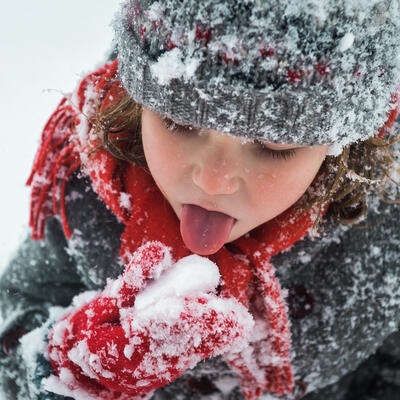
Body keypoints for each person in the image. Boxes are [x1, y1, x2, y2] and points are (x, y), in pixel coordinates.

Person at [1, 0, 400, 399]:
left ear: (346, 147)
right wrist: (63, 370)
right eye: (180, 122)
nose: (212, 180)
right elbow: (14, 319)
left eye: (274, 146)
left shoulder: (384, 228)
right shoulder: (86, 186)